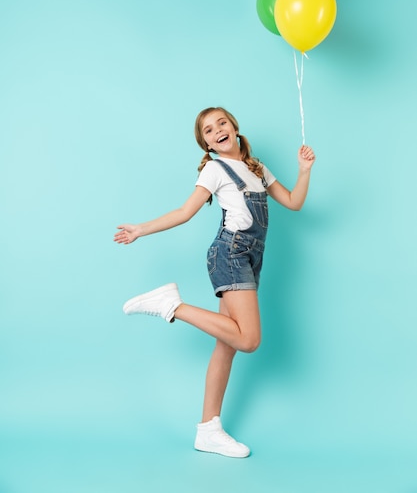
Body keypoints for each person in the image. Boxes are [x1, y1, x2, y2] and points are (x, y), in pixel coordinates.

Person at [114, 106, 315, 458]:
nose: (217, 130)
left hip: (251, 258)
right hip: (231, 254)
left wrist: (304, 171)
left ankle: (208, 429)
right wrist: (141, 229)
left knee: (227, 344)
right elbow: (185, 211)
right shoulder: (214, 169)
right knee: (249, 340)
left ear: (234, 126)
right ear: (205, 144)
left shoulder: (257, 168)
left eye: (221, 122)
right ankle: (172, 306)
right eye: (208, 130)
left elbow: (294, 202)